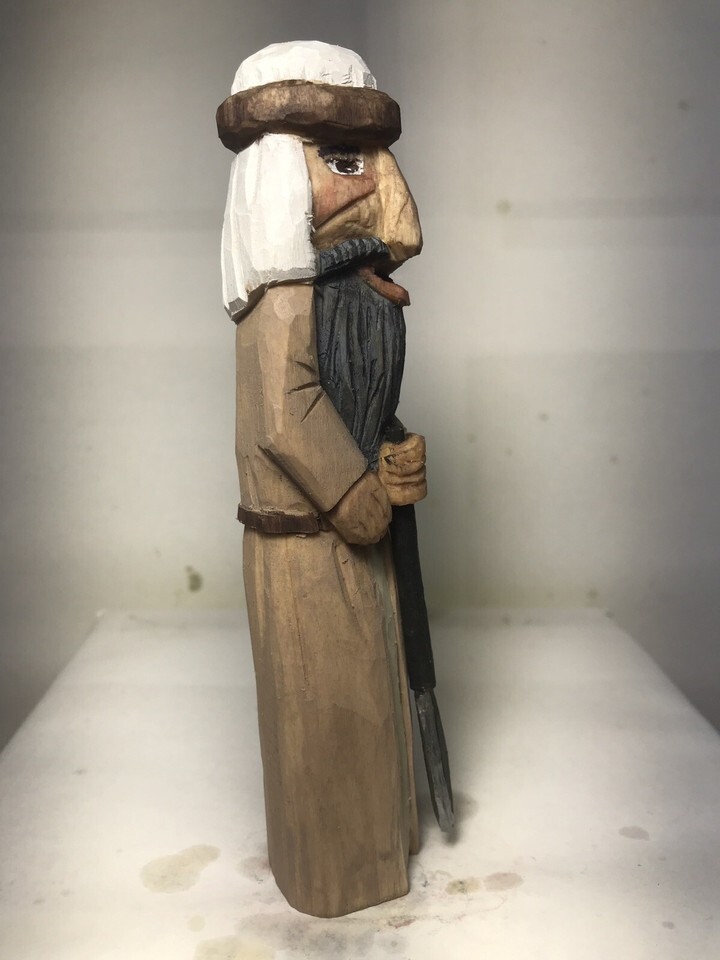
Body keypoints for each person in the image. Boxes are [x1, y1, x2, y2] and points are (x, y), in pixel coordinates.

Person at [217, 40, 426, 917]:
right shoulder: (283, 297)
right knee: (330, 714)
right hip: (304, 549)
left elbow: (352, 401)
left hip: (350, 540)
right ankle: (340, 872)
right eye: (346, 163)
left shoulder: (345, 290)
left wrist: (394, 452)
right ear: (277, 178)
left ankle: (378, 848)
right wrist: (356, 495)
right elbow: (286, 411)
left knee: (370, 705)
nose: (392, 201)